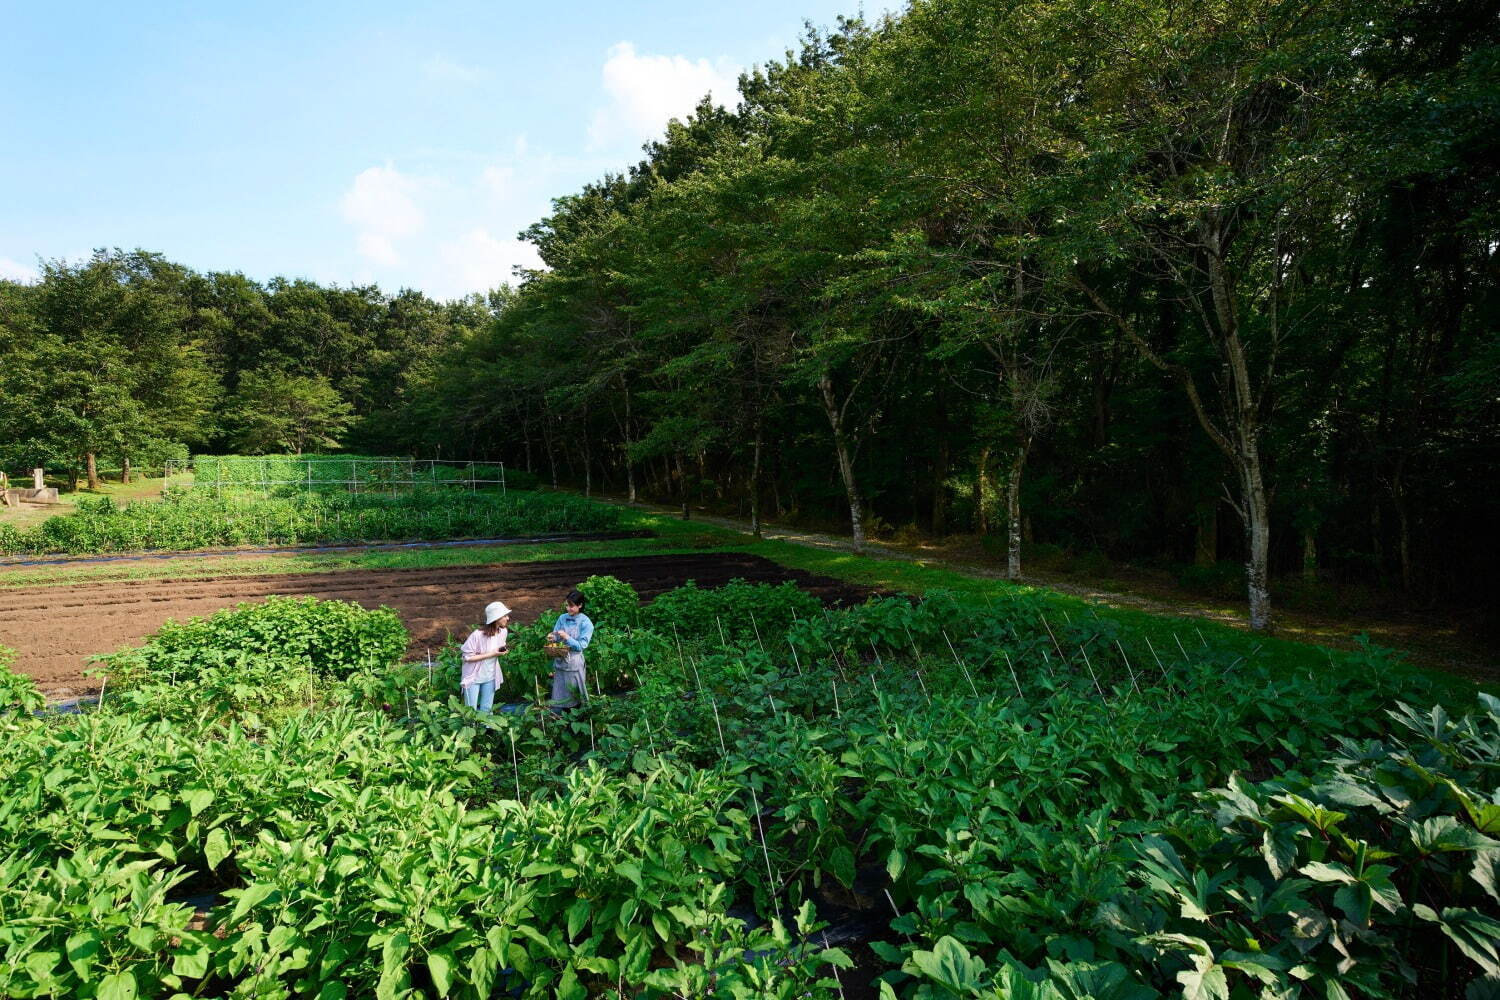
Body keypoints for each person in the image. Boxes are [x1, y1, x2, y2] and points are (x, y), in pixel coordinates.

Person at [460, 601, 511, 713]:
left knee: (487, 709)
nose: (507, 618)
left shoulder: (503, 632)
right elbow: (467, 657)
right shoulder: (477, 635)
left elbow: (499, 648)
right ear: (496, 618)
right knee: (470, 711)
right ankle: (471, 729)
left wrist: (501, 651)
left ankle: (487, 729)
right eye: (505, 616)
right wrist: (493, 654)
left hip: (490, 675)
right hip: (473, 677)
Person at [546, 589, 593, 709]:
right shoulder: (562, 618)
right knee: (562, 697)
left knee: (574, 697)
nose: (568, 608)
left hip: (574, 664)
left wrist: (567, 637)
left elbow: (582, 645)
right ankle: (566, 723)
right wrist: (552, 637)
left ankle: (576, 724)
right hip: (561, 663)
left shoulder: (586, 623)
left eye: (571, 606)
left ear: (580, 605)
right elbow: (556, 635)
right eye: (567, 605)